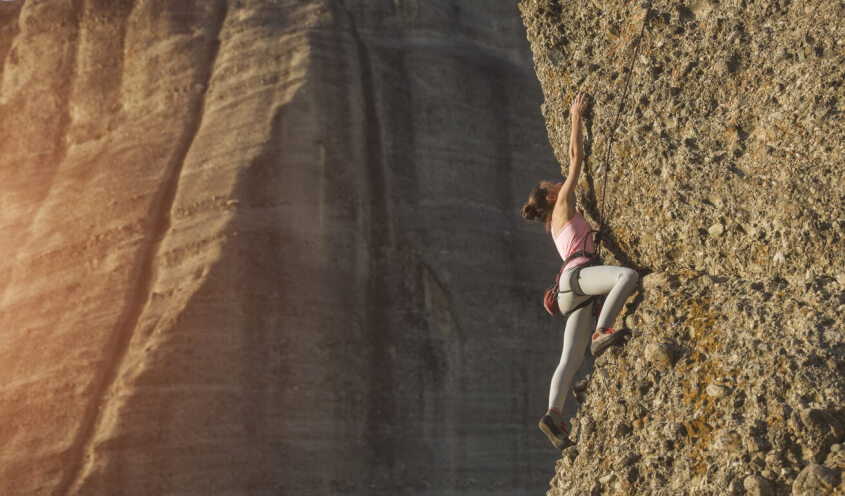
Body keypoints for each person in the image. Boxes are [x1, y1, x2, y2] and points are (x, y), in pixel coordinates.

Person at [521, 92, 639, 450]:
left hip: (569, 289)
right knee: (627, 277)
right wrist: (576, 117)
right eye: (553, 187)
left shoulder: (557, 226)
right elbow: (576, 158)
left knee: (569, 359)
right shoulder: (564, 204)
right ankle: (603, 331)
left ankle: (553, 415)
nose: (559, 184)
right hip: (579, 276)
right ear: (550, 197)